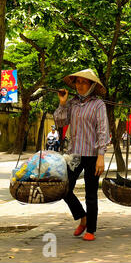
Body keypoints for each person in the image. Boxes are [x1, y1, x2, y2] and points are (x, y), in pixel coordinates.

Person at [54, 69, 109, 241]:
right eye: (77, 82)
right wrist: (62, 104)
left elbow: (102, 130)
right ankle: (82, 217)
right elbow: (60, 122)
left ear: (92, 85)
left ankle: (90, 229)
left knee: (91, 194)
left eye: (84, 82)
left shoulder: (98, 105)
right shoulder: (71, 103)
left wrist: (101, 155)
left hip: (93, 155)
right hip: (75, 155)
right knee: (63, 189)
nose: (79, 85)